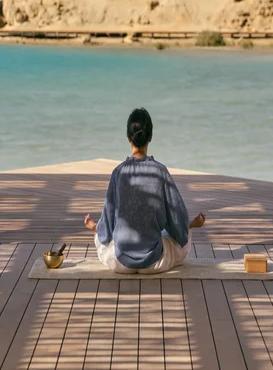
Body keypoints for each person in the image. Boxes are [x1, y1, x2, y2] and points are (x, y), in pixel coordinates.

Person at [84, 107, 206, 274]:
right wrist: (192, 225)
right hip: (153, 262)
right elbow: (177, 220)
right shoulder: (160, 171)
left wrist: (95, 228)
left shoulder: (118, 172)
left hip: (121, 262)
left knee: (102, 238)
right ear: (150, 137)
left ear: (128, 138)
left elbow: (108, 221)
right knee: (179, 239)